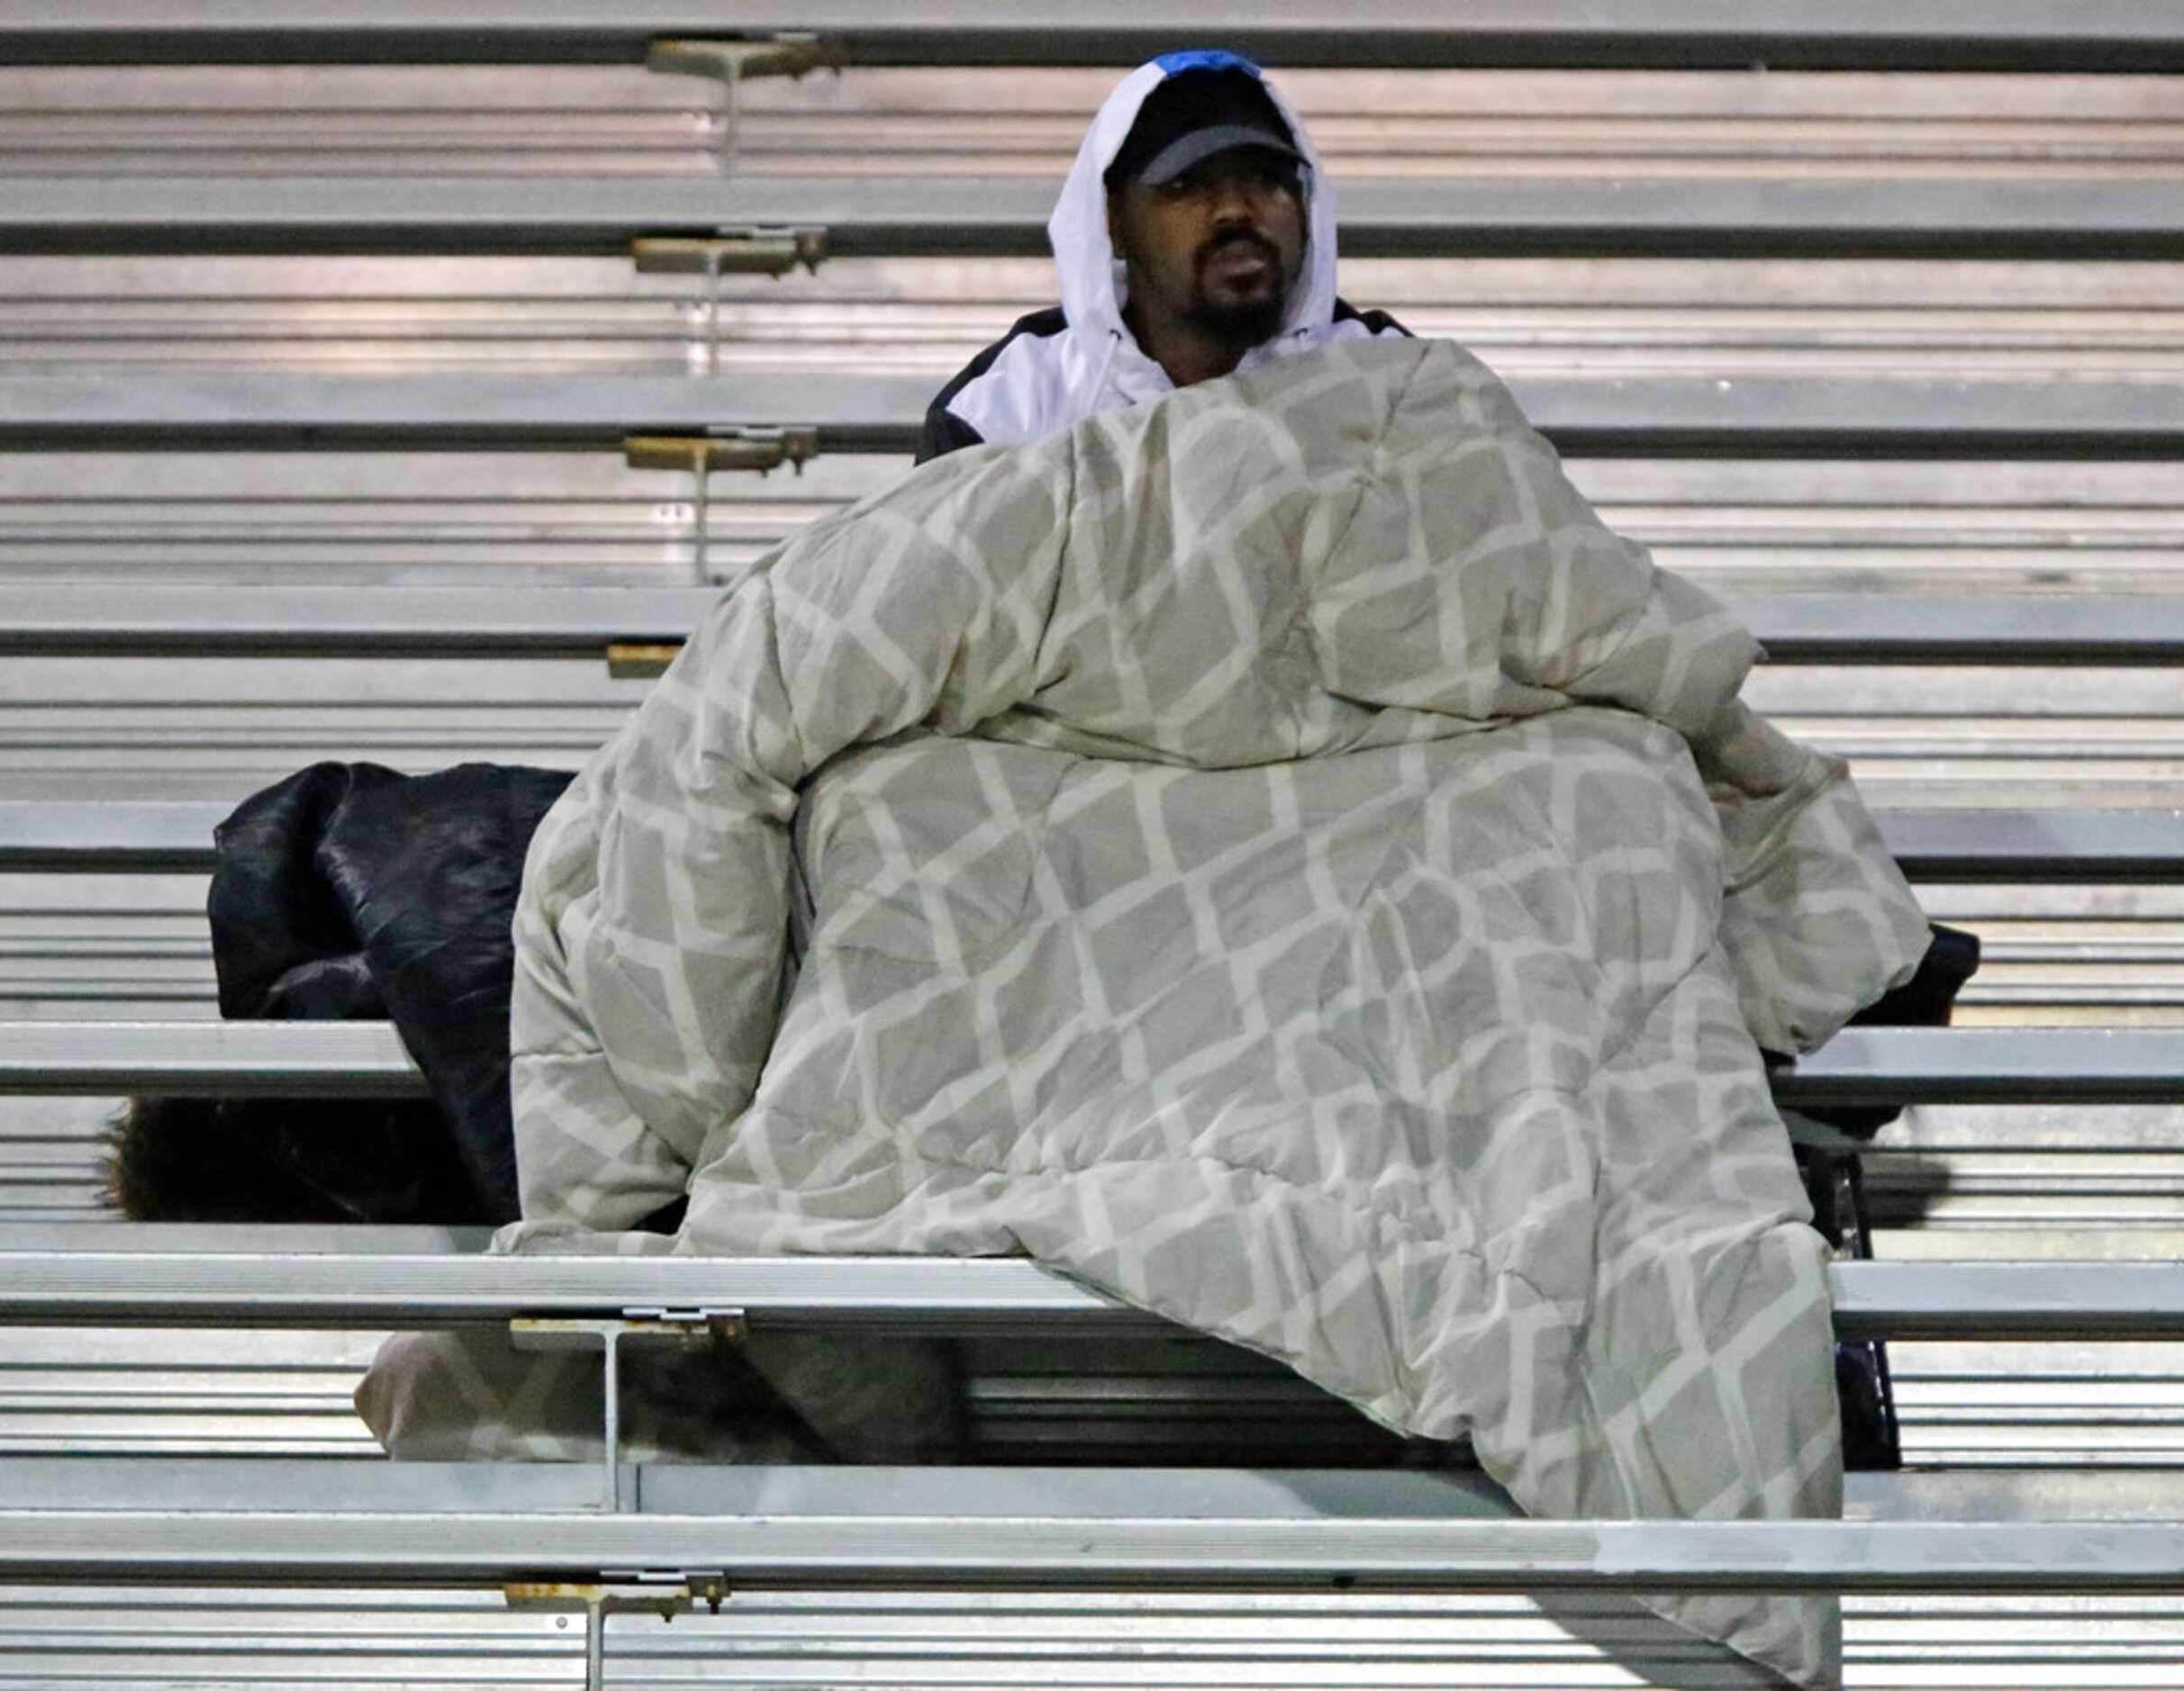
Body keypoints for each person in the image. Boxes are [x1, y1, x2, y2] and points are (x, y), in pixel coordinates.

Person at [917, 50, 1408, 464]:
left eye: (1267, 179)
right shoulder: (1007, 409)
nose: (1235, 210)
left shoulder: (1394, 383)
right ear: (1113, 221)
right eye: (1185, 184)